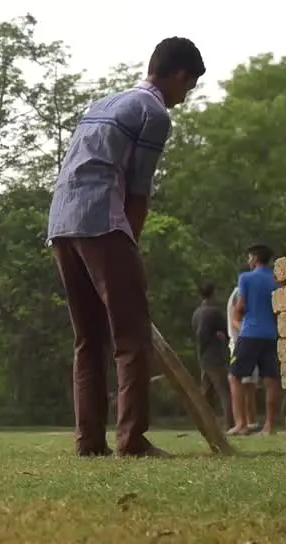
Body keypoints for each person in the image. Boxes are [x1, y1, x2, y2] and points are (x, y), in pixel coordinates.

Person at [47, 37, 205, 459]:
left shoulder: (103, 102)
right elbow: (138, 191)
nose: (183, 99)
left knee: (88, 339)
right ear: (178, 76)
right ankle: (132, 440)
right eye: (187, 89)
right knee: (131, 336)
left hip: (62, 221)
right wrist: (128, 247)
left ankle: (89, 442)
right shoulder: (153, 112)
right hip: (101, 220)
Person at [229, 244, 282, 436]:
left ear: (255, 258)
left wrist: (238, 317)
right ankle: (270, 426)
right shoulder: (277, 280)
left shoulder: (246, 278)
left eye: (249, 257)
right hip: (271, 335)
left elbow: (241, 305)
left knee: (234, 376)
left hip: (250, 333)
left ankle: (241, 423)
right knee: (271, 380)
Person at [191, 281, 232, 428]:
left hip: (203, 357)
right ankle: (230, 423)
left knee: (207, 393)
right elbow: (226, 333)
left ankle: (205, 423)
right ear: (213, 293)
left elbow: (198, 334)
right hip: (215, 357)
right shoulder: (214, 312)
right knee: (224, 392)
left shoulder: (196, 313)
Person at [226, 283, 258, 432]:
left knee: (249, 384)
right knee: (242, 382)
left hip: (247, 341)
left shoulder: (242, 292)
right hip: (242, 342)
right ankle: (242, 422)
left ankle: (250, 422)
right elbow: (235, 319)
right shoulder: (240, 292)